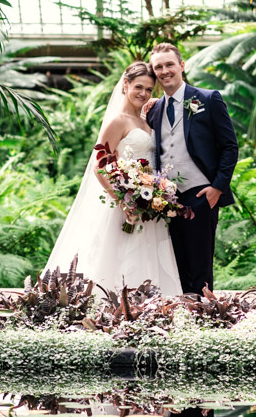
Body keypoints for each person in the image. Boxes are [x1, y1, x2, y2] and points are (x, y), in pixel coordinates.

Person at [43, 60, 182, 295]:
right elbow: (100, 166)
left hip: (145, 201)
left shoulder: (146, 121)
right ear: (125, 85)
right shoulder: (117, 121)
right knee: (115, 255)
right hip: (121, 201)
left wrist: (154, 190)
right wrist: (122, 200)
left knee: (143, 252)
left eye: (149, 89)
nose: (144, 93)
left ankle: (143, 305)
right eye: (139, 87)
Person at [147, 43, 239, 294]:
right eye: (158, 67)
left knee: (200, 269)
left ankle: (203, 320)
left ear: (181, 66)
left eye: (169, 64)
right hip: (166, 199)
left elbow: (230, 147)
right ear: (154, 72)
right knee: (175, 267)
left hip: (201, 194)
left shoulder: (208, 99)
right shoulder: (154, 109)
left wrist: (217, 188)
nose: (164, 71)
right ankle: (182, 323)